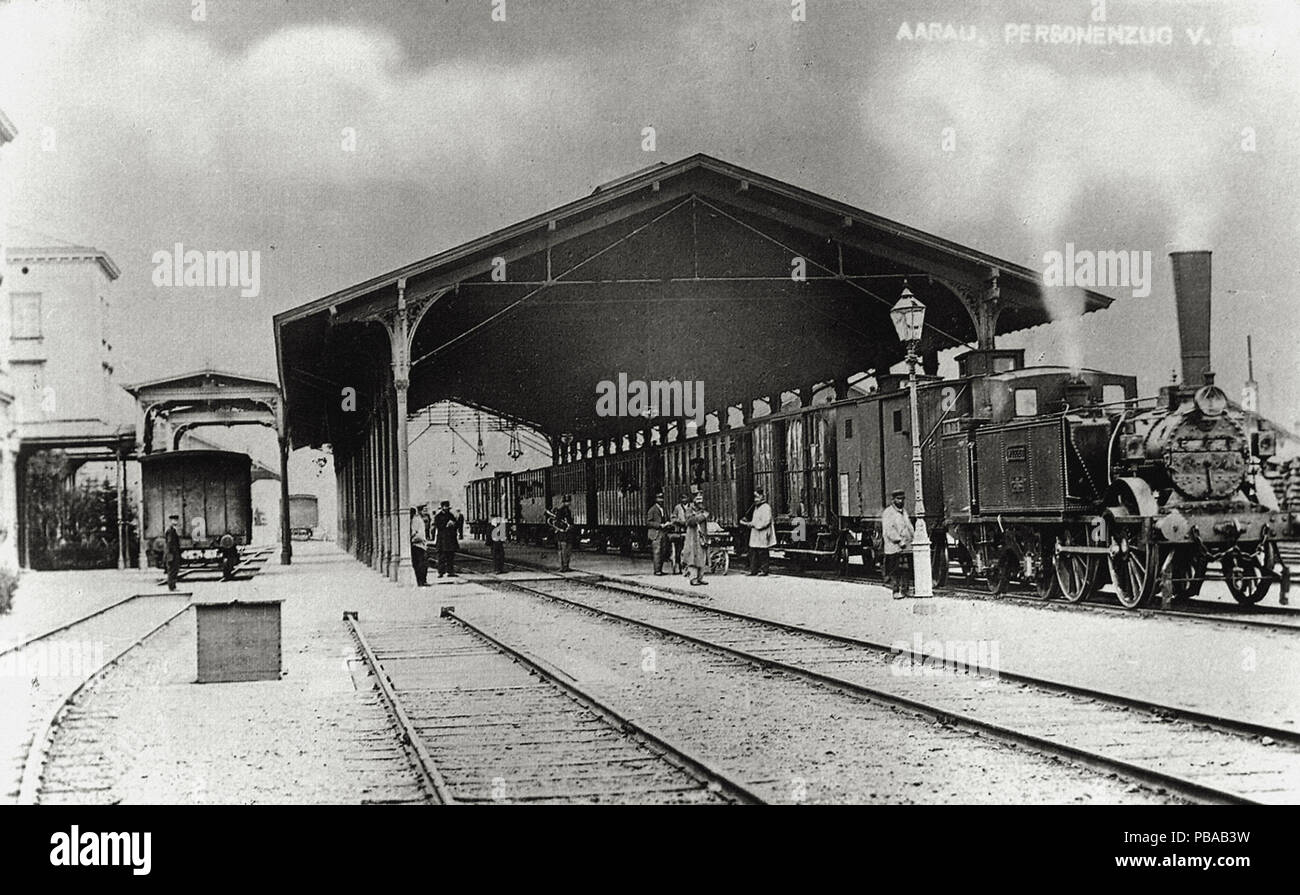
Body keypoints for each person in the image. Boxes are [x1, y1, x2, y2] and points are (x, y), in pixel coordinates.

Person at [882, 488, 914, 599]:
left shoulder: (904, 512)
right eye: (898, 499)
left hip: (906, 546)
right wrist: (899, 540)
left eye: (902, 499)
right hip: (894, 547)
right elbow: (889, 530)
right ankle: (895, 591)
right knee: (895, 570)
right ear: (893, 500)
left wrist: (913, 537)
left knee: (906, 569)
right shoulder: (888, 513)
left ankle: (905, 590)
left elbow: (908, 525)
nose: (900, 501)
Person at [743, 488, 775, 576]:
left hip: (762, 532)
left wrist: (753, 524)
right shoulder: (757, 507)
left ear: (761, 496)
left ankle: (764, 570)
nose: (755, 499)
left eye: (756, 497)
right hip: (756, 533)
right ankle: (754, 570)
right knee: (753, 551)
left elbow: (766, 521)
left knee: (762, 552)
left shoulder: (766, 507)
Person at [682, 492, 711, 586]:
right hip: (693, 537)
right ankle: (693, 578)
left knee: (701, 557)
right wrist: (702, 516)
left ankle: (700, 577)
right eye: (698, 499)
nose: (700, 501)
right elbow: (690, 521)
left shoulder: (703, 509)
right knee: (693, 557)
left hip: (701, 536)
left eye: (701, 499)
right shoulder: (689, 509)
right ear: (694, 500)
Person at [432, 500, 460, 577]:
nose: (446, 508)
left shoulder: (451, 515)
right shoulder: (438, 516)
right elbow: (438, 526)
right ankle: (441, 572)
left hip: (450, 539)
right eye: (445, 507)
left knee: (450, 556)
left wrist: (454, 524)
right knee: (441, 556)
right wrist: (446, 525)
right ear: (442, 507)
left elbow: (456, 525)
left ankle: (450, 571)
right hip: (442, 539)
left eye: (447, 507)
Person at [646, 492, 670, 575]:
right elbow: (648, 522)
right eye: (659, 498)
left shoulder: (664, 509)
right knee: (657, 551)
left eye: (662, 498)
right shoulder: (652, 509)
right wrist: (659, 525)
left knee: (663, 551)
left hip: (663, 532)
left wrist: (667, 523)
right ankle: (657, 570)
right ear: (656, 499)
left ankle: (660, 569)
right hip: (655, 533)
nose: (661, 500)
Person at [669, 491, 691, 575]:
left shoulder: (691, 506)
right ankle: (679, 566)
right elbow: (673, 518)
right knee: (679, 549)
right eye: (683, 498)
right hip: (680, 531)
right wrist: (679, 522)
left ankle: (689, 567)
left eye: (686, 498)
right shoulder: (677, 508)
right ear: (680, 499)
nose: (684, 500)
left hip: (689, 531)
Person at [553, 495, 575, 572]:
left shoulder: (568, 510)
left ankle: (566, 565)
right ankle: (563, 566)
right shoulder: (560, 510)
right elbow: (556, 522)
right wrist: (564, 527)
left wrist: (570, 526)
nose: (568, 503)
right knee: (563, 550)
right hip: (562, 533)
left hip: (568, 533)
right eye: (567, 502)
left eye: (568, 502)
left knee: (568, 550)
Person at [409, 506, 429, 587]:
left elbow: (414, 532)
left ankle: (421, 581)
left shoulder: (415, 520)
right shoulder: (417, 519)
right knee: (421, 564)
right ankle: (421, 581)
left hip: (418, 544)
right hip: (419, 544)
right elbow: (415, 532)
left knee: (420, 564)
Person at [163, 514, 181, 591]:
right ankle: (171, 586)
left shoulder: (172, 530)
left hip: (172, 553)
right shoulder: (170, 530)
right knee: (172, 570)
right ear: (171, 521)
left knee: (173, 570)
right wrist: (172, 553)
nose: (175, 521)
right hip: (172, 554)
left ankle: (173, 586)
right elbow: (170, 543)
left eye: (176, 520)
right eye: (174, 520)